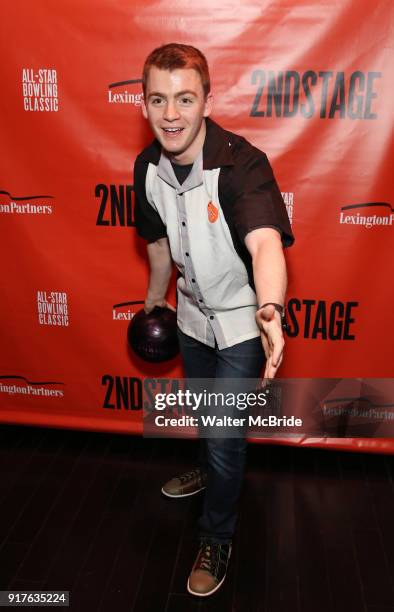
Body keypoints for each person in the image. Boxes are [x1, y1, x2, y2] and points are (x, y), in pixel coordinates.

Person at [134, 43, 294, 597]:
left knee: (226, 434)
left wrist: (270, 307)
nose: (170, 114)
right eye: (158, 99)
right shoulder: (147, 167)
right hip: (191, 319)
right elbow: (158, 245)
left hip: (243, 325)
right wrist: (156, 297)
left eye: (184, 98)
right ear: (144, 104)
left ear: (206, 100)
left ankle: (217, 536)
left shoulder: (241, 164)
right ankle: (207, 470)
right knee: (206, 414)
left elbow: (266, 243)